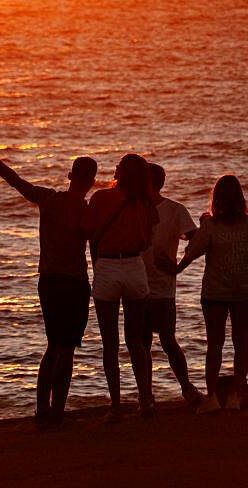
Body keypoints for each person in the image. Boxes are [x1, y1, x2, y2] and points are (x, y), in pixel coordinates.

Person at [0, 141, 97, 428]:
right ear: (91, 181)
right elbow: (99, 242)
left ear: (69, 176)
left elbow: (17, 182)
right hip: (75, 283)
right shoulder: (88, 210)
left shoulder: (49, 199)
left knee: (53, 346)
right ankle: (57, 413)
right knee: (67, 350)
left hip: (49, 281)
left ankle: (42, 412)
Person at [159, 173, 248, 414]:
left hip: (215, 292)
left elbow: (192, 252)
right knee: (241, 343)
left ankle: (213, 397)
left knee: (215, 344)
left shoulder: (210, 226)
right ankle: (237, 395)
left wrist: (175, 270)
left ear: (216, 199)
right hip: (245, 290)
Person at [83, 153, 158, 422]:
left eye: (118, 165)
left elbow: (89, 232)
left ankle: (115, 405)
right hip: (134, 266)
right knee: (136, 340)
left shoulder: (101, 198)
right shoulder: (147, 203)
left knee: (110, 343)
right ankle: (145, 399)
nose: (113, 167)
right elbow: (148, 241)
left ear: (122, 172)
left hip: (108, 267)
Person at [141, 163, 202, 406]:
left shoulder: (175, 210)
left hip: (162, 286)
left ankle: (186, 387)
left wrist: (179, 267)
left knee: (167, 340)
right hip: (137, 284)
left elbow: (196, 240)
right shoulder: (136, 208)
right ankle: (147, 395)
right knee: (143, 343)